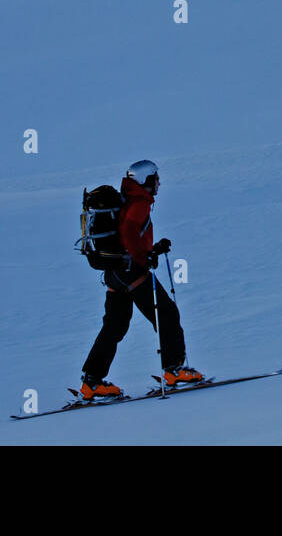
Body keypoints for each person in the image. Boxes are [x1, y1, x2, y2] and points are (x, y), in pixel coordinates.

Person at [79, 160, 202, 399]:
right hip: (130, 271)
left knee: (115, 325)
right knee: (166, 313)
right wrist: (143, 258)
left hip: (115, 272)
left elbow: (132, 234)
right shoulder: (138, 202)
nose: (159, 183)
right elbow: (127, 232)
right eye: (156, 178)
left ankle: (91, 382)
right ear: (146, 180)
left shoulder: (127, 198)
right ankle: (174, 370)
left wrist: (151, 250)